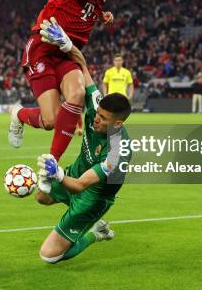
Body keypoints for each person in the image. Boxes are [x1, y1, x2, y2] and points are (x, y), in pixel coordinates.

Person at [8, 0, 139, 161]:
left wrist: (101, 15)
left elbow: (88, 4)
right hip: (43, 46)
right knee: (50, 121)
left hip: (68, 53)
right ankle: (18, 114)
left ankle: (52, 164)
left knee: (77, 94)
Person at [34, 35, 131, 264]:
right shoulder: (98, 106)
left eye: (103, 118)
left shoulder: (118, 152)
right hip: (78, 170)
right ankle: (90, 224)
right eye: (97, 113)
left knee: (49, 256)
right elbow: (83, 66)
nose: (95, 119)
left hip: (93, 195)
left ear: (118, 124)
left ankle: (96, 233)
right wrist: (68, 45)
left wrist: (57, 173)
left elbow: (80, 186)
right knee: (41, 196)